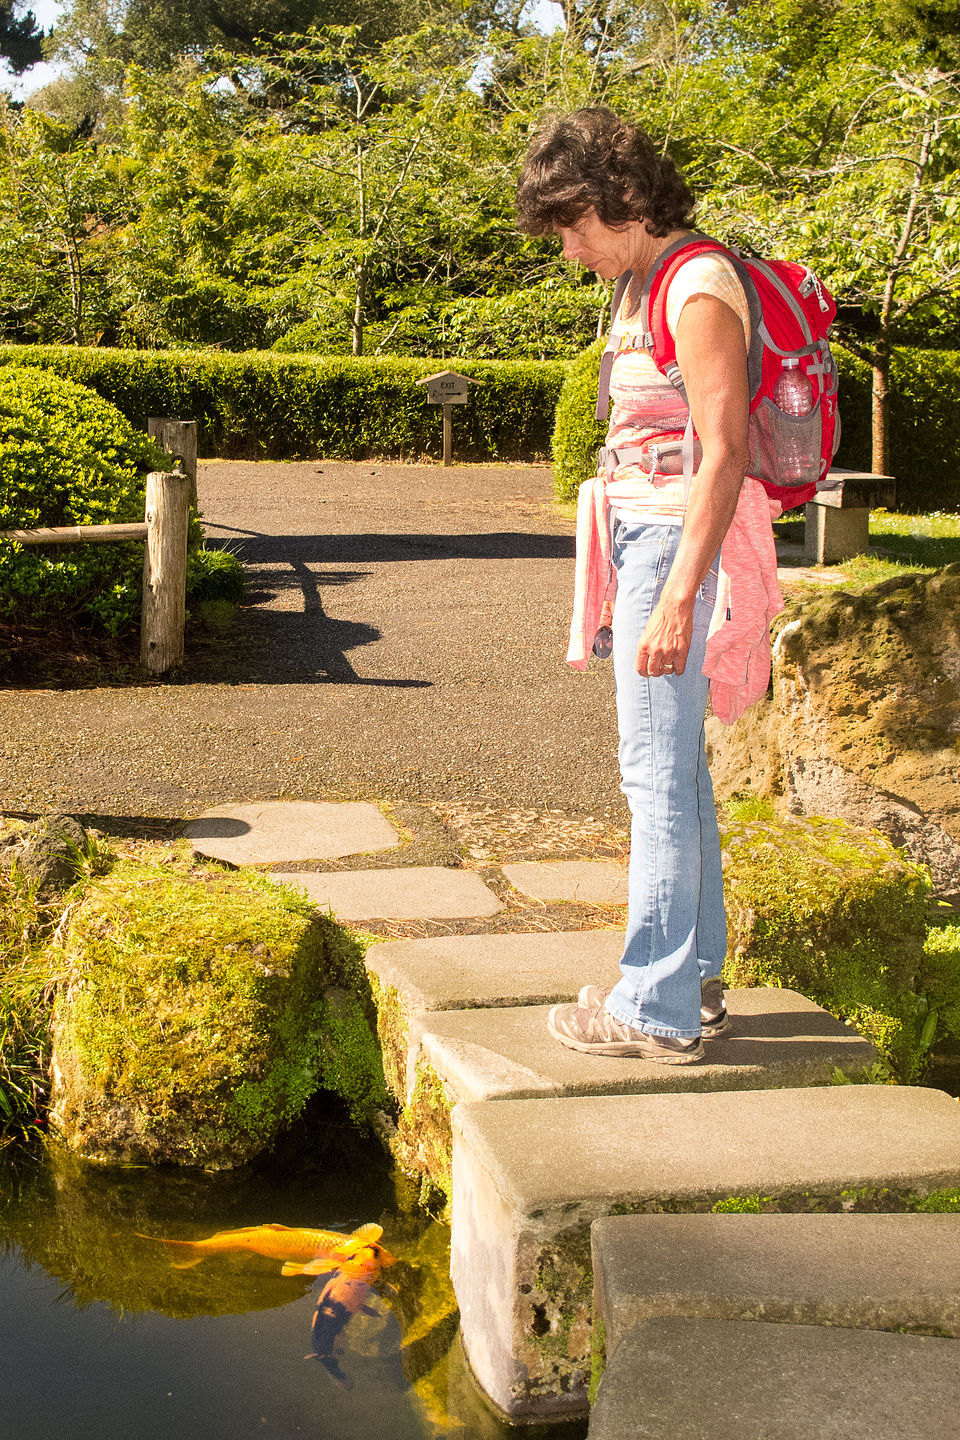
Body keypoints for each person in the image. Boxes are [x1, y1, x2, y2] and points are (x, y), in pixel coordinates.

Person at [516, 107, 779, 1064]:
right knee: (680, 777)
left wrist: (675, 598)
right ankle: (693, 984)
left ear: (619, 198)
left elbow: (725, 448)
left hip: (675, 543)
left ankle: (653, 1010)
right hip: (643, 533)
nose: (570, 247)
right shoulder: (641, 282)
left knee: (655, 781)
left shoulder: (699, 282)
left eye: (575, 225)